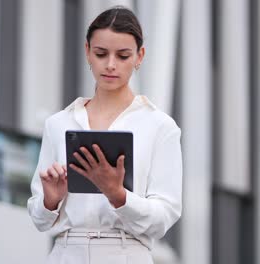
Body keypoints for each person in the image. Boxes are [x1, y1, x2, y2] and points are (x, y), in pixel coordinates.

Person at [27, 6, 182, 264]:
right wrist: (51, 200)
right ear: (87, 51)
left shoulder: (160, 127)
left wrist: (118, 195)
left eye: (123, 56)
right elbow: (39, 219)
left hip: (126, 252)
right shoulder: (58, 124)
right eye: (101, 54)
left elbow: (163, 217)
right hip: (66, 252)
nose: (110, 65)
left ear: (139, 56)